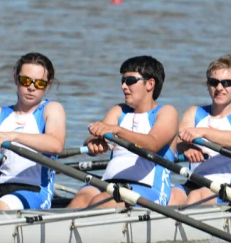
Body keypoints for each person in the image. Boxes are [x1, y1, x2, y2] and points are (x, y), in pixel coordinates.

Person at [67, 56, 178, 208]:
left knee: (101, 201)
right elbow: (94, 138)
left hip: (149, 191)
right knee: (82, 198)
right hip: (109, 185)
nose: (124, 86)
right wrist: (94, 143)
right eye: (123, 81)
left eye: (130, 81)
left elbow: (153, 143)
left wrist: (118, 130)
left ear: (150, 84)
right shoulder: (119, 111)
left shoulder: (166, 112)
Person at [0, 53, 66, 211]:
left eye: (39, 83)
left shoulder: (51, 109)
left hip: (35, 191)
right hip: (2, 186)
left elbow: (56, 145)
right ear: (16, 79)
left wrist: (13, 136)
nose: (31, 87)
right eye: (25, 81)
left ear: (48, 84)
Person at [169, 55, 231, 205]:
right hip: (193, 182)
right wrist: (186, 148)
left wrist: (203, 132)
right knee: (169, 197)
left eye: (227, 83)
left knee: (196, 197)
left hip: (226, 189)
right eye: (214, 82)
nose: (219, 88)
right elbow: (175, 139)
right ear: (208, 85)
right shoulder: (194, 112)